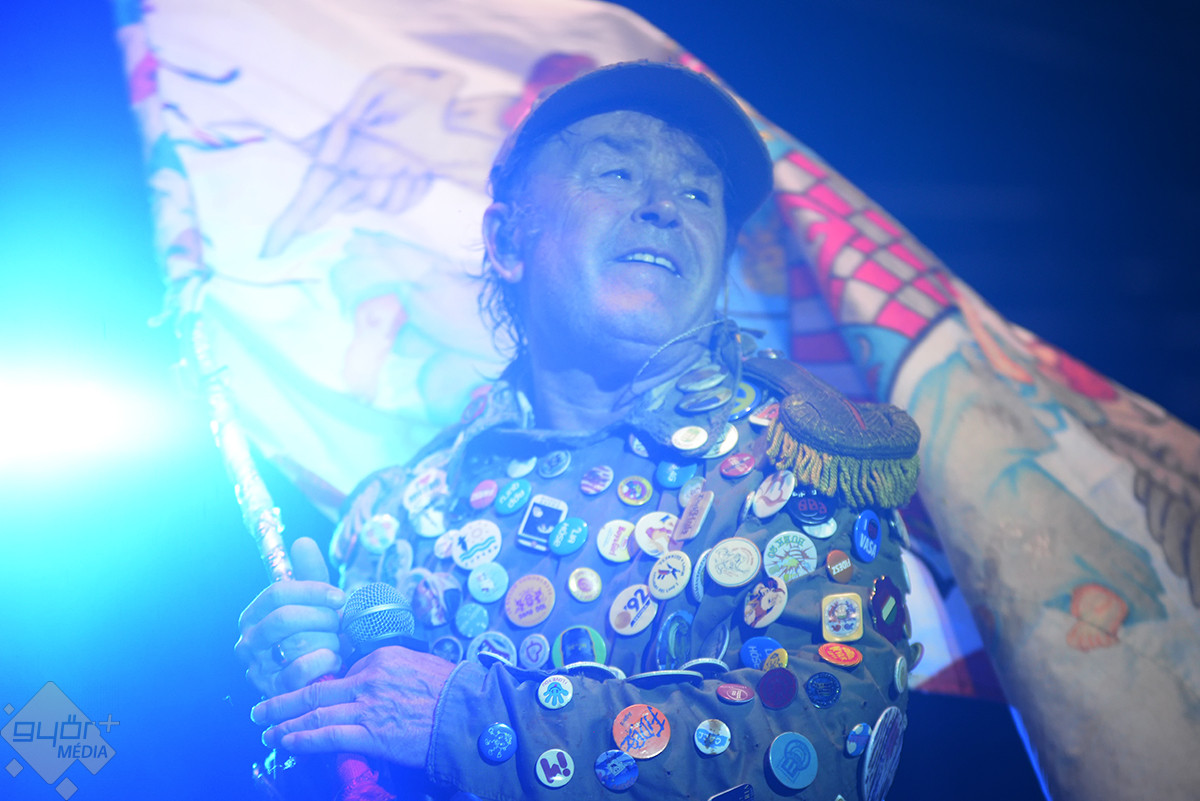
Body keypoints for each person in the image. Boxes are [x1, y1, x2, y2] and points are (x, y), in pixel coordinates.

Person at [236, 61, 920, 801]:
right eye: (617, 173)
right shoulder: (397, 514)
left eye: (698, 192)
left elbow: (827, 747)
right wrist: (308, 714)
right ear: (508, 240)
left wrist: (467, 720)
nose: (665, 207)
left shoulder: (798, 462)